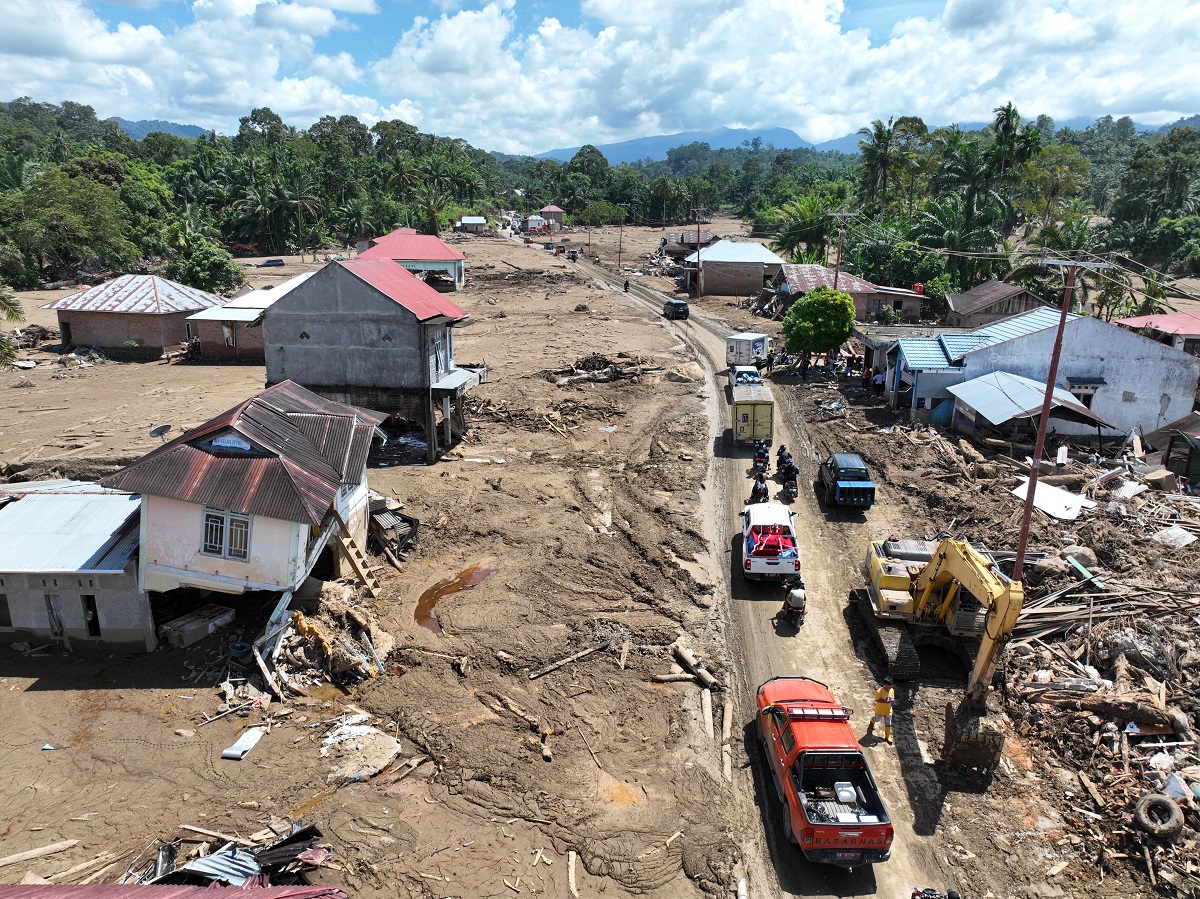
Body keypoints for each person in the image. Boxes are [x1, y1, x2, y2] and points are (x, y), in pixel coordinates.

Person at [867, 676, 895, 744]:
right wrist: (885, 701)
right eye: (889, 685)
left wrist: (892, 699)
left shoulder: (892, 690)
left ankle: (887, 736)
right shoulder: (880, 691)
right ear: (885, 684)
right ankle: (872, 720)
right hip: (880, 710)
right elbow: (877, 699)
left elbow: (893, 696)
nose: (890, 686)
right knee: (876, 719)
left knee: (888, 723)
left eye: (891, 684)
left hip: (888, 710)